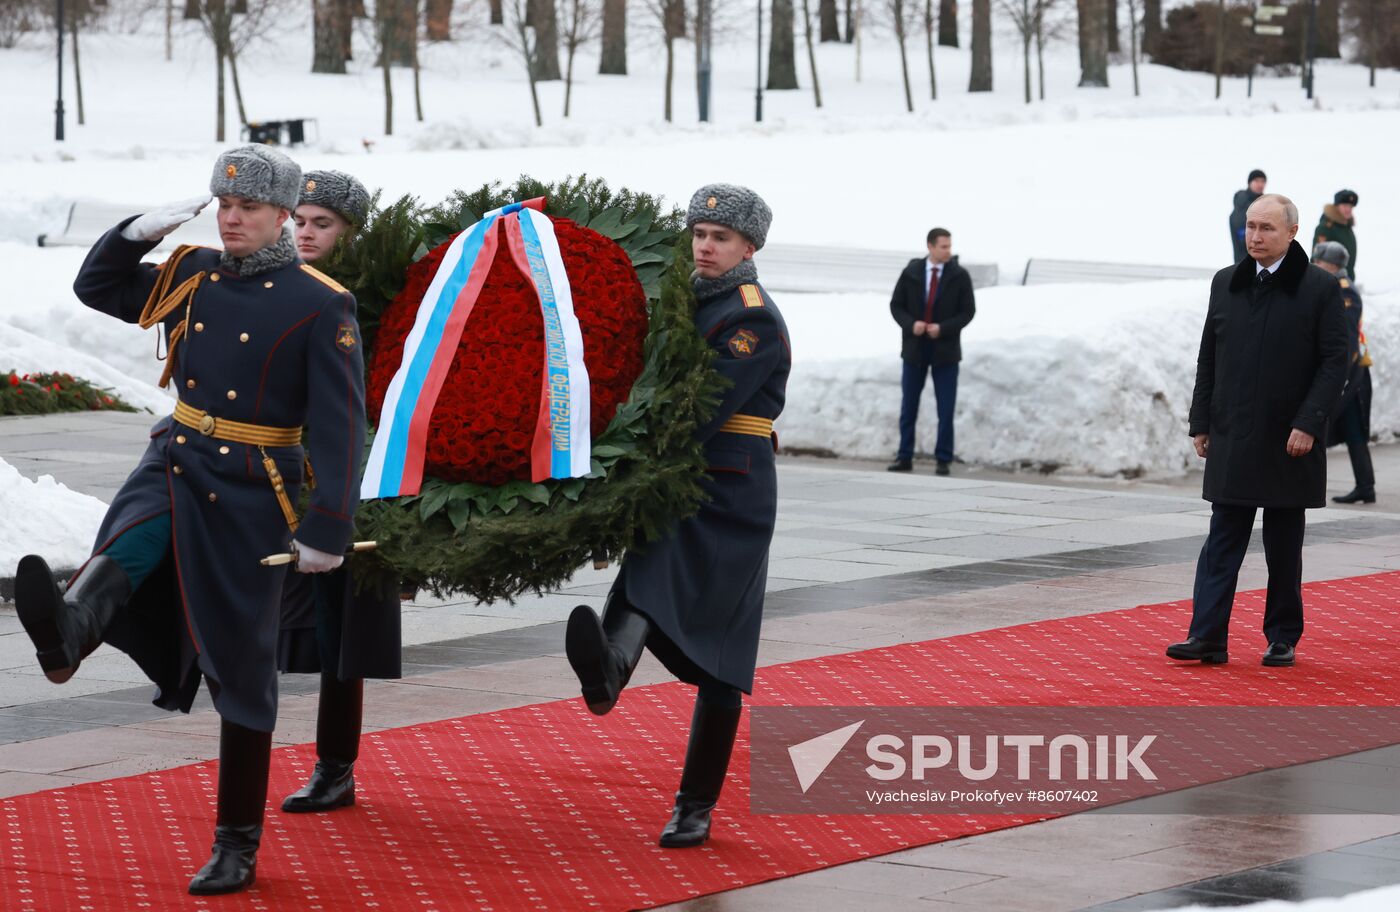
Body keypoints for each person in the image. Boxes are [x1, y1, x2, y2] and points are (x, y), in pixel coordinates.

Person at [13, 145, 367, 895]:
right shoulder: (194, 273)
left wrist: (327, 527)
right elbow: (97, 286)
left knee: (240, 670)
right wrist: (135, 233)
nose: (231, 217)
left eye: (247, 208)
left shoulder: (318, 301)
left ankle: (236, 842)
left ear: (280, 216)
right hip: (178, 455)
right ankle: (70, 631)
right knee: (131, 539)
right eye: (223, 205)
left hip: (252, 485)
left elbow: (341, 426)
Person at [564, 183, 789, 848]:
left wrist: (617, 451)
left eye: (721, 238)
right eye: (699, 234)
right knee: (648, 573)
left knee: (721, 654)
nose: (706, 246)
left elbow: (699, 409)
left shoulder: (752, 318)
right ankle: (607, 670)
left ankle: (695, 805)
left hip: (730, 491)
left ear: (749, 247)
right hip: (679, 476)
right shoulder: (685, 298)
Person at [1167, 194, 1347, 669]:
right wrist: (1201, 421)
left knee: (1282, 546)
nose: (1255, 236)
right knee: (1221, 540)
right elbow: (1210, 356)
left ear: (1292, 232)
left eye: (1266, 228)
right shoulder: (1226, 283)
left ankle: (1282, 636)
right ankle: (1207, 636)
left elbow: (1335, 363)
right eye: (1250, 226)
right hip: (1232, 434)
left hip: (1290, 440)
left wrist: (1309, 423)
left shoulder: (1319, 289)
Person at [278, 169, 401, 815]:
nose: (304, 232)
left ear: (352, 233)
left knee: (338, 631)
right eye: (299, 219)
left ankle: (335, 766)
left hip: (341, 483)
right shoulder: (281, 285)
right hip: (272, 473)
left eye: (321, 223)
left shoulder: (366, 300)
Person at [886, 228, 976, 475]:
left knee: (946, 408)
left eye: (949, 246)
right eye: (943, 246)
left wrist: (943, 328)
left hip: (945, 352)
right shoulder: (912, 272)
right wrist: (910, 324)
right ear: (930, 246)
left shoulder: (959, 276)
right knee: (909, 406)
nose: (948, 251)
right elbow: (896, 305)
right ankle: (904, 456)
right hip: (915, 350)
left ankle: (943, 458)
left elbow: (968, 312)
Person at [1313, 241, 1374, 505]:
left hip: (1351, 372)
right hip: (1347, 372)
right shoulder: (1332, 287)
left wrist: (1342, 376)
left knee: (1338, 427)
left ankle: (1364, 486)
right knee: (1351, 431)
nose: (1316, 265)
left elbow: (1347, 340)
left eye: (1319, 262)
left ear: (1332, 264)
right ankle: (1365, 487)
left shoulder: (1344, 291)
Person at [1315, 190, 1359, 283]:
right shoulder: (1326, 227)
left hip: (1346, 281)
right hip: (1331, 283)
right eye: (1345, 206)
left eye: (1350, 206)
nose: (1348, 209)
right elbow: (1317, 259)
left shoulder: (1346, 227)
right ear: (1336, 206)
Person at [1230, 169, 1267, 262]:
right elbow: (1239, 225)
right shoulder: (1241, 202)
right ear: (1250, 183)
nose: (1260, 184)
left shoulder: (1266, 203)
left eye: (1263, 181)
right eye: (1257, 181)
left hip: (1263, 257)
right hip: (1244, 257)